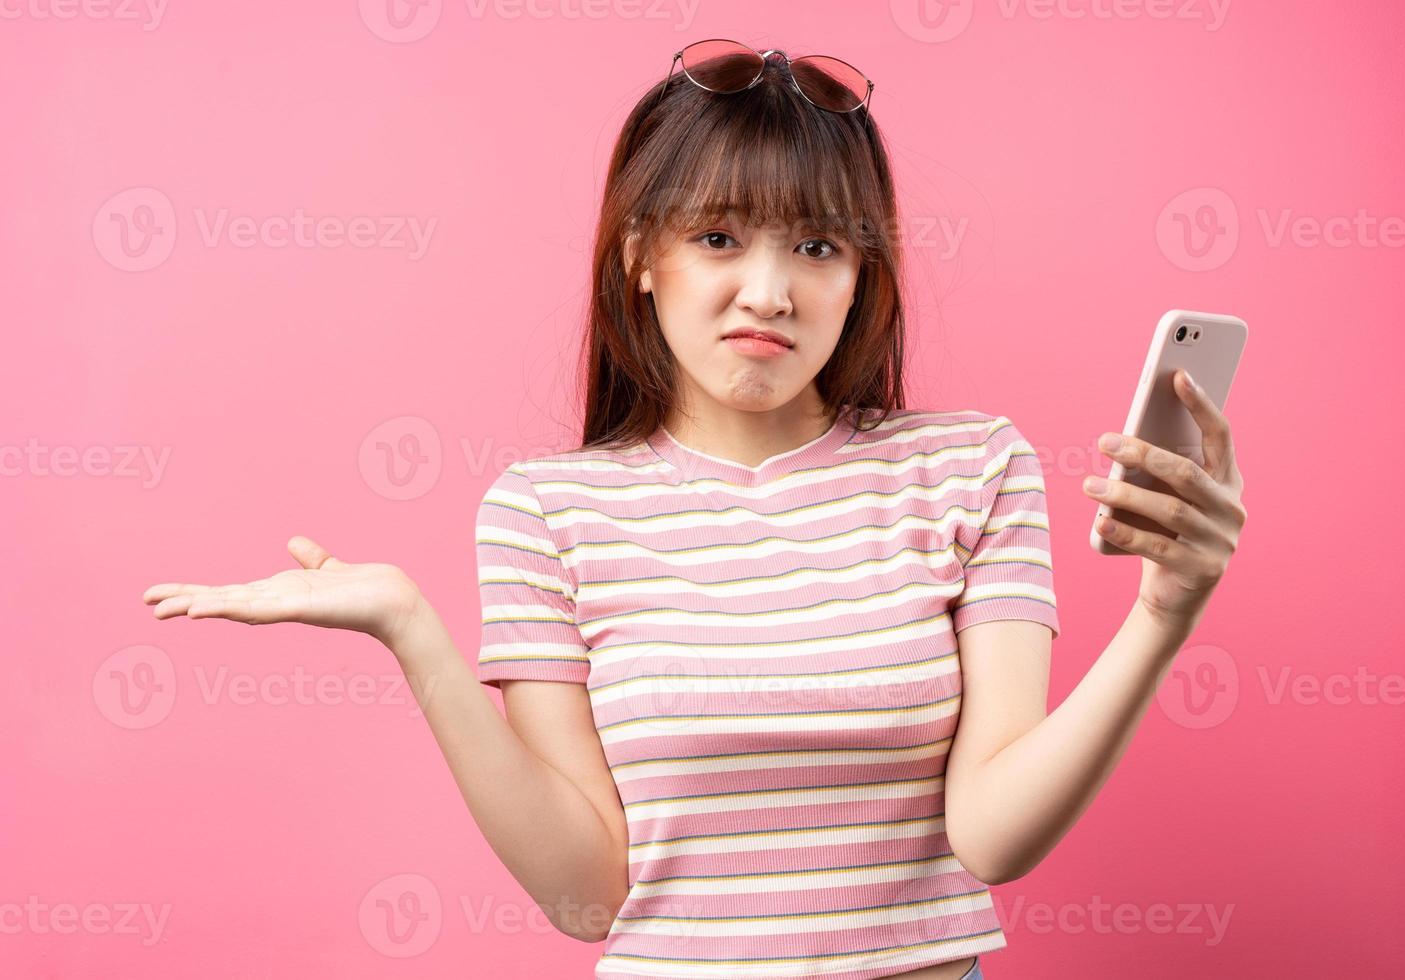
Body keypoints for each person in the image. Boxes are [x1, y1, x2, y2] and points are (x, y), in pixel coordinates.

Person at [142, 40, 1247, 980]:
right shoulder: (547, 511)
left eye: (815, 245)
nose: (768, 289)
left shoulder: (969, 468)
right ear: (639, 255)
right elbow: (586, 898)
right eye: (719, 238)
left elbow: (993, 836)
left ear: (861, 274)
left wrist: (1163, 613)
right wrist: (407, 625)